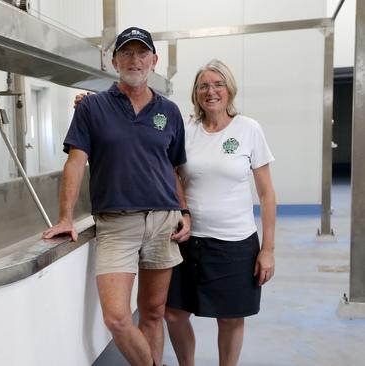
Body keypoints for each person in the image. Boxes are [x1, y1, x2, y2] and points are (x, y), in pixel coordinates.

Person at [42, 26, 191, 366]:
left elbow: (173, 167)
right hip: (116, 224)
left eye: (142, 53)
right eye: (126, 53)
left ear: (154, 61)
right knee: (117, 318)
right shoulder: (93, 108)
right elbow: (76, 163)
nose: (134, 60)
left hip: (163, 221)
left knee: (153, 312)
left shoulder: (169, 111)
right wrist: (65, 216)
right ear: (114, 61)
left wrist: (184, 210)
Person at [164, 59, 276, 366]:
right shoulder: (186, 130)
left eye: (218, 84)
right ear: (196, 93)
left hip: (235, 243)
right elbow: (173, 171)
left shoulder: (248, 129)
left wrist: (268, 249)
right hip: (188, 241)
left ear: (229, 89)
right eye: (203, 86)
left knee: (229, 319)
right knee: (173, 313)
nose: (211, 91)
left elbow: (267, 194)